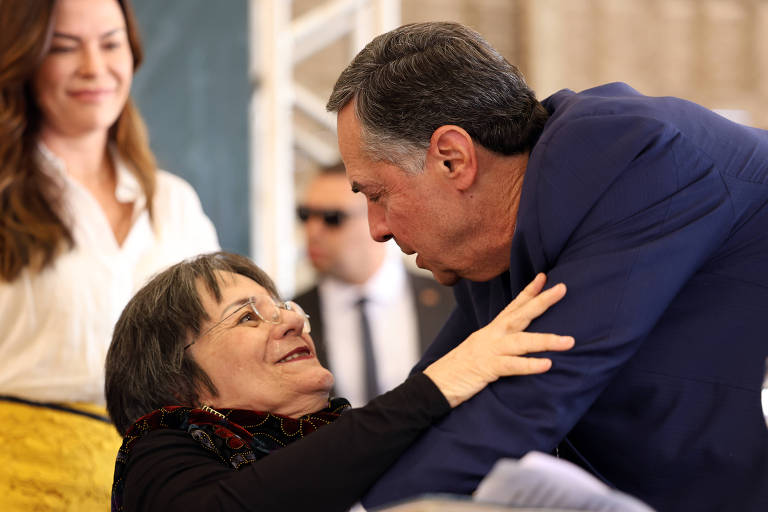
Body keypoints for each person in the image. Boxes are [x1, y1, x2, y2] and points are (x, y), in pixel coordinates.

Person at [326, 21, 768, 512]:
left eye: (378, 194)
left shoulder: (636, 158)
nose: (376, 229)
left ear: (453, 159)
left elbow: (529, 401)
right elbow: (430, 400)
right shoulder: (497, 235)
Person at [104, 251, 574, 511]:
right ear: (178, 382)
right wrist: (438, 384)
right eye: (248, 317)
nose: (293, 323)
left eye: (284, 307)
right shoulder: (160, 448)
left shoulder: (348, 437)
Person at [0, 0, 218, 509]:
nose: (94, 68)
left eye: (111, 43)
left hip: (163, 486)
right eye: (64, 47)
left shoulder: (173, 202)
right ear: (25, 59)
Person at [294, 163, 454, 405]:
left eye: (332, 218)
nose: (312, 230)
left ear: (379, 216)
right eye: (305, 215)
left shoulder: (451, 300)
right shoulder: (291, 318)